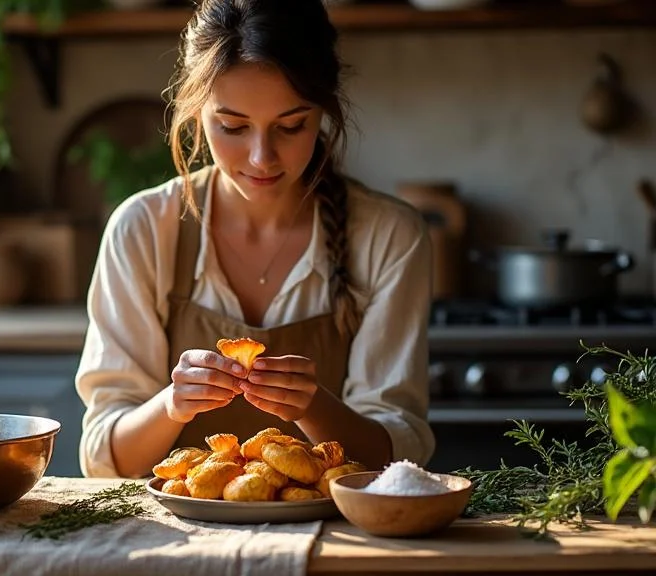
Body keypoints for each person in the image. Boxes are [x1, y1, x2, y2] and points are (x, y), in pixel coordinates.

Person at [75, 0, 435, 479]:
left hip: (339, 542)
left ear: (324, 113)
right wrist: (172, 404)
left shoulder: (390, 237)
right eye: (233, 127)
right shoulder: (143, 229)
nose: (262, 157)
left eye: (291, 126)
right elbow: (104, 459)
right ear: (196, 109)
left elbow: (398, 459)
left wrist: (311, 406)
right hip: (176, 543)